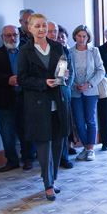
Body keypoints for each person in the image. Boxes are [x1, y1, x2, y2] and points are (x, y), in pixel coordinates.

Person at [17, 13, 72, 201]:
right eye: (37, 26)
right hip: (38, 105)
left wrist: (64, 79)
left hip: (59, 102)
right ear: (30, 28)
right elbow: (22, 79)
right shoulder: (25, 51)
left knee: (57, 144)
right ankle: (48, 184)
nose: (41, 29)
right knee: (43, 147)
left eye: (43, 26)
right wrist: (43, 82)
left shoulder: (58, 47)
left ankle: (53, 179)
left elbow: (67, 71)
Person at [0, 25, 33, 172]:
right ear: (2, 37)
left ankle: (28, 159)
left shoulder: (27, 51)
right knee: (6, 132)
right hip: (5, 99)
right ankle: (11, 161)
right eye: (8, 35)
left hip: (25, 97)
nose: (12, 38)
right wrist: (8, 80)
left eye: (15, 35)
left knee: (26, 130)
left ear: (19, 35)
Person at [70, 25, 104, 162]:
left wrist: (89, 84)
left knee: (90, 119)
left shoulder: (93, 51)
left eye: (84, 36)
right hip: (75, 91)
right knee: (79, 121)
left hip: (91, 91)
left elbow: (101, 71)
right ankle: (85, 147)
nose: (81, 39)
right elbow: (66, 72)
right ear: (75, 36)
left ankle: (91, 149)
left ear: (88, 38)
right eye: (79, 36)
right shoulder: (69, 51)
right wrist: (74, 85)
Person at [47, 21, 74, 170]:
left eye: (55, 31)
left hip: (63, 95)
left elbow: (70, 72)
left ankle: (63, 157)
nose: (53, 34)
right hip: (46, 97)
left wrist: (66, 87)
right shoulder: (37, 51)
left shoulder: (63, 50)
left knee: (63, 128)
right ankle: (48, 160)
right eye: (50, 31)